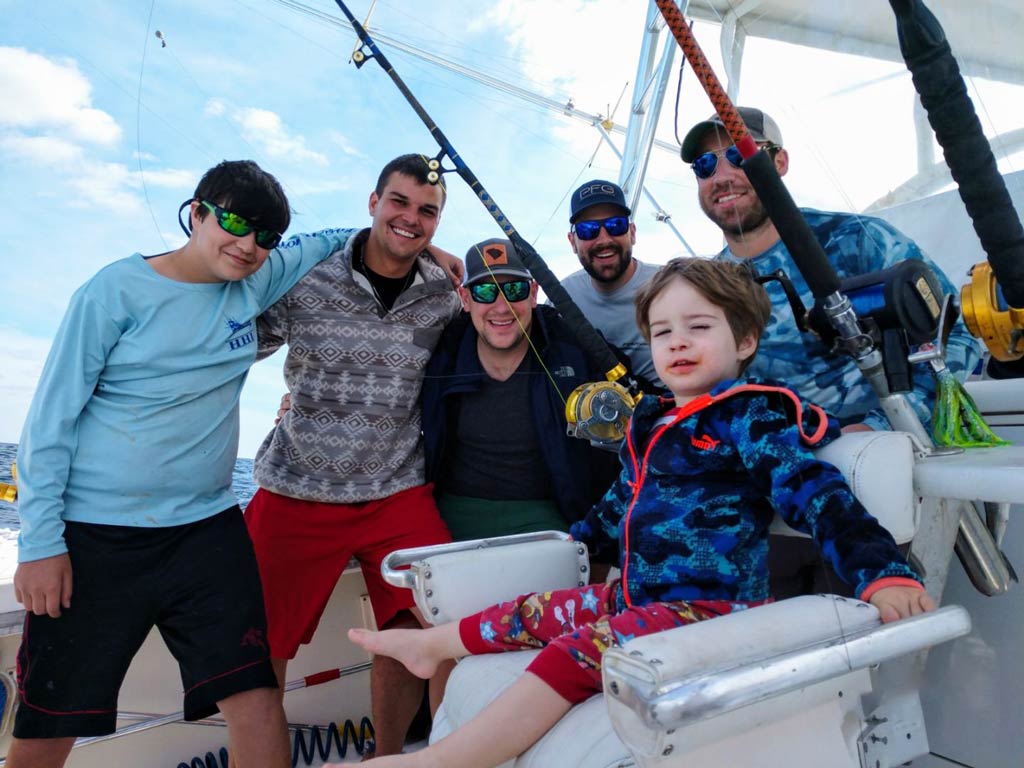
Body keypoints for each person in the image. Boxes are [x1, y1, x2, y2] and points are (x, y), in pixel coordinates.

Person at [340, 257, 935, 768]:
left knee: (570, 651)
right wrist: (574, 538)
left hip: (707, 611)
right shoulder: (649, 423)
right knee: (532, 612)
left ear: (745, 341)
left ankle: (440, 758)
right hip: (635, 596)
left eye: (698, 327)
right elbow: (619, 504)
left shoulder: (748, 416)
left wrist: (880, 572)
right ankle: (433, 645)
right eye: (662, 331)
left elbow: (818, 496)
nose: (676, 342)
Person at [10, 160, 354, 768]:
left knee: (255, 697)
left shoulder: (255, 279)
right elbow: (49, 423)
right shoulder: (113, 291)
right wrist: (40, 544)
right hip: (96, 539)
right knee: (46, 728)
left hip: (207, 531)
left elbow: (329, 239)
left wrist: (434, 253)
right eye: (233, 223)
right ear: (196, 212)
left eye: (264, 237)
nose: (247, 246)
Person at [680, 106, 981, 596]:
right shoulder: (705, 283)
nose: (723, 175)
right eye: (705, 166)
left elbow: (957, 338)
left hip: (870, 490)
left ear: (778, 164)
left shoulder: (858, 240)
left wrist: (883, 429)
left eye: (738, 155)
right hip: (765, 505)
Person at [244, 153, 463, 758]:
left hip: (397, 489)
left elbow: (501, 325)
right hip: (294, 487)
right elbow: (233, 345)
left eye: (427, 211)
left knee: (439, 623)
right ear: (372, 203)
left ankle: (393, 756)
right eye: (399, 202)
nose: (410, 219)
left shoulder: (447, 293)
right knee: (262, 644)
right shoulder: (304, 277)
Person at [422, 238, 620, 542]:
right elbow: (388, 241)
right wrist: (428, 248)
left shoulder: (571, 344)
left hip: (546, 515)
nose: (502, 307)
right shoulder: (442, 350)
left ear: (534, 293)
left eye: (515, 289)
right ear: (464, 298)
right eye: (485, 291)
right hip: (453, 513)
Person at [560, 179, 663, 390]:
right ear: (573, 242)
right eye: (588, 230)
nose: (604, 239)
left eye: (616, 226)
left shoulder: (668, 284)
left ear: (632, 233)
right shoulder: (563, 297)